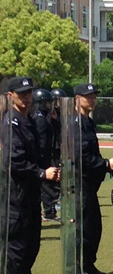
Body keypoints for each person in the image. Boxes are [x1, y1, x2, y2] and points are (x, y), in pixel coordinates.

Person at [4, 77, 60, 274]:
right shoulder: (10, 123)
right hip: (15, 195)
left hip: (30, 194)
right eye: (21, 93)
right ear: (10, 96)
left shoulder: (27, 120)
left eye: (29, 92)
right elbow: (14, 161)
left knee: (31, 245)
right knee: (16, 248)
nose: (26, 97)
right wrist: (40, 173)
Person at [74, 83, 113, 274]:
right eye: (87, 96)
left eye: (93, 96)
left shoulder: (88, 122)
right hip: (80, 181)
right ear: (77, 99)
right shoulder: (75, 122)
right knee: (83, 226)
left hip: (91, 183)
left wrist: (105, 166)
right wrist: (105, 163)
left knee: (94, 226)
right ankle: (79, 266)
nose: (91, 100)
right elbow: (81, 156)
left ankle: (88, 264)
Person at [31, 88, 60, 222]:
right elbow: (42, 141)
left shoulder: (44, 117)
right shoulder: (40, 119)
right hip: (42, 157)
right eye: (47, 103)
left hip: (47, 155)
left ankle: (51, 209)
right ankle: (52, 206)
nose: (50, 105)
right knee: (46, 185)